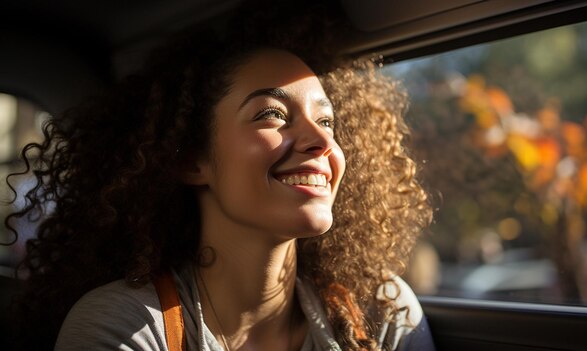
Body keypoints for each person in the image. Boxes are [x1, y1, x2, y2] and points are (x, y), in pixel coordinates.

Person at [5, 2, 433, 350]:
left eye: (327, 122)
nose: (320, 142)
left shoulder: (381, 315)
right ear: (192, 160)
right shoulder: (123, 327)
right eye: (272, 114)